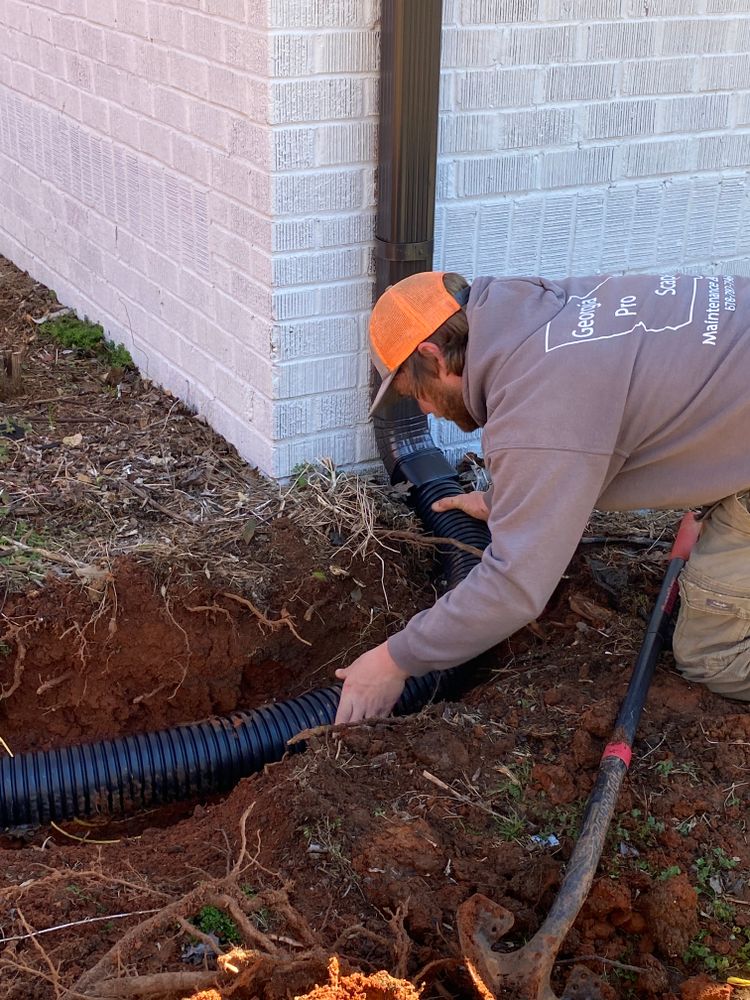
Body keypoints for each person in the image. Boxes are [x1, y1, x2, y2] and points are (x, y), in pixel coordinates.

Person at [333, 270, 750, 724]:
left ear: (433, 356)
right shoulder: (539, 311)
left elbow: (514, 587)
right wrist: (507, 499)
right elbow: (585, 432)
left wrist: (394, 660)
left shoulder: (540, 406)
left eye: (419, 395)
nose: (428, 411)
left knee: (712, 657)